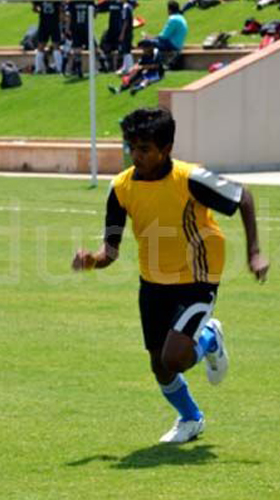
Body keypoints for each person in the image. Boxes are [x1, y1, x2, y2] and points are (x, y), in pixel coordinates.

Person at [72, 107, 269, 444]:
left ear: (166, 149)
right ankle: (191, 418)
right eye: (131, 147)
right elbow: (111, 250)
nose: (136, 156)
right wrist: (93, 259)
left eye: (144, 149)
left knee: (174, 358)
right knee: (159, 365)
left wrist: (254, 252)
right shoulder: (120, 188)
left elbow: (243, 197)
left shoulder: (191, 179)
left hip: (198, 278)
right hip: (153, 282)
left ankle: (209, 337)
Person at [65, 0, 97, 78]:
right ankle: (100, 67)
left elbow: (68, 15)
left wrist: (67, 27)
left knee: (77, 49)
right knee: (94, 48)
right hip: (86, 28)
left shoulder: (72, 2)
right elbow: (94, 14)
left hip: (76, 28)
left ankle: (78, 69)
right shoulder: (89, 1)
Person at [32, 1, 64, 74]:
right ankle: (58, 69)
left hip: (47, 23)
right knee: (53, 46)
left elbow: (35, 9)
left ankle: (38, 69)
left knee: (46, 46)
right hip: (51, 23)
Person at [97, 0, 124, 72]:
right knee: (105, 46)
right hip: (111, 30)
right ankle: (107, 66)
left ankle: (114, 67)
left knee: (117, 48)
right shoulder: (111, 2)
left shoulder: (124, 4)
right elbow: (100, 7)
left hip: (119, 30)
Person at [116, 0, 135, 75]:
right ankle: (125, 67)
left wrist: (122, 33)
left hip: (126, 33)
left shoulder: (125, 7)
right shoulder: (128, 7)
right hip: (128, 32)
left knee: (126, 50)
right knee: (125, 50)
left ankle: (129, 68)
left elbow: (125, 21)